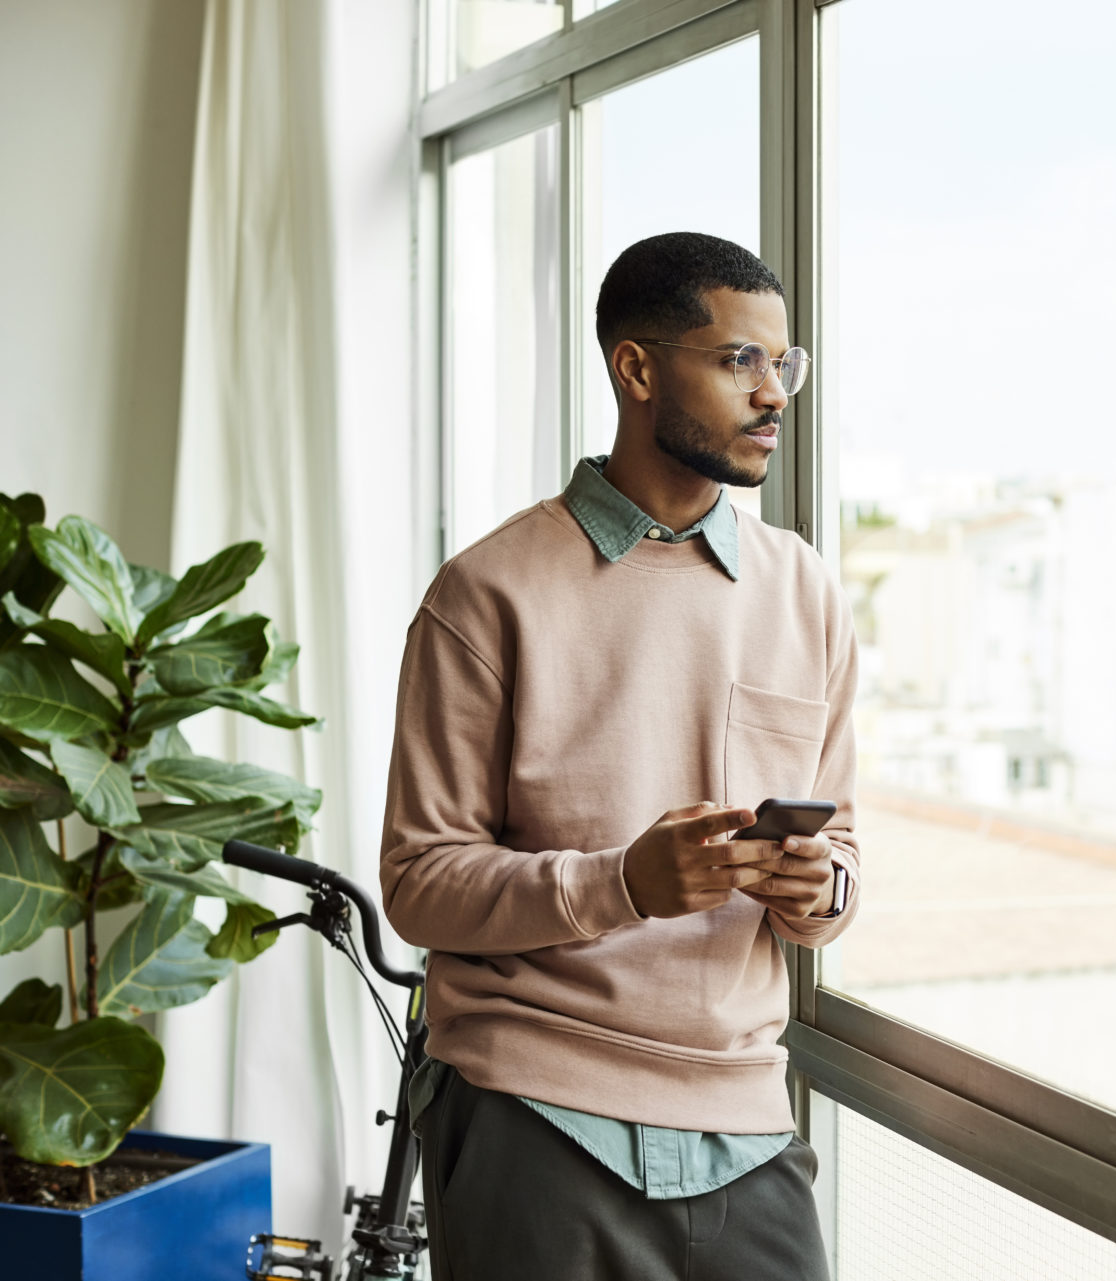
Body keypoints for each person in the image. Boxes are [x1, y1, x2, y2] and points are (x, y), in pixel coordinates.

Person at [379, 231, 858, 1280]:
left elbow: (845, 863)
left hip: (746, 1124)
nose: (774, 395)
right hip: (531, 1114)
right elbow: (418, 886)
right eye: (740, 362)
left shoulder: (806, 592)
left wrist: (817, 884)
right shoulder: (486, 594)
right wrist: (623, 885)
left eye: (786, 365)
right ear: (636, 370)